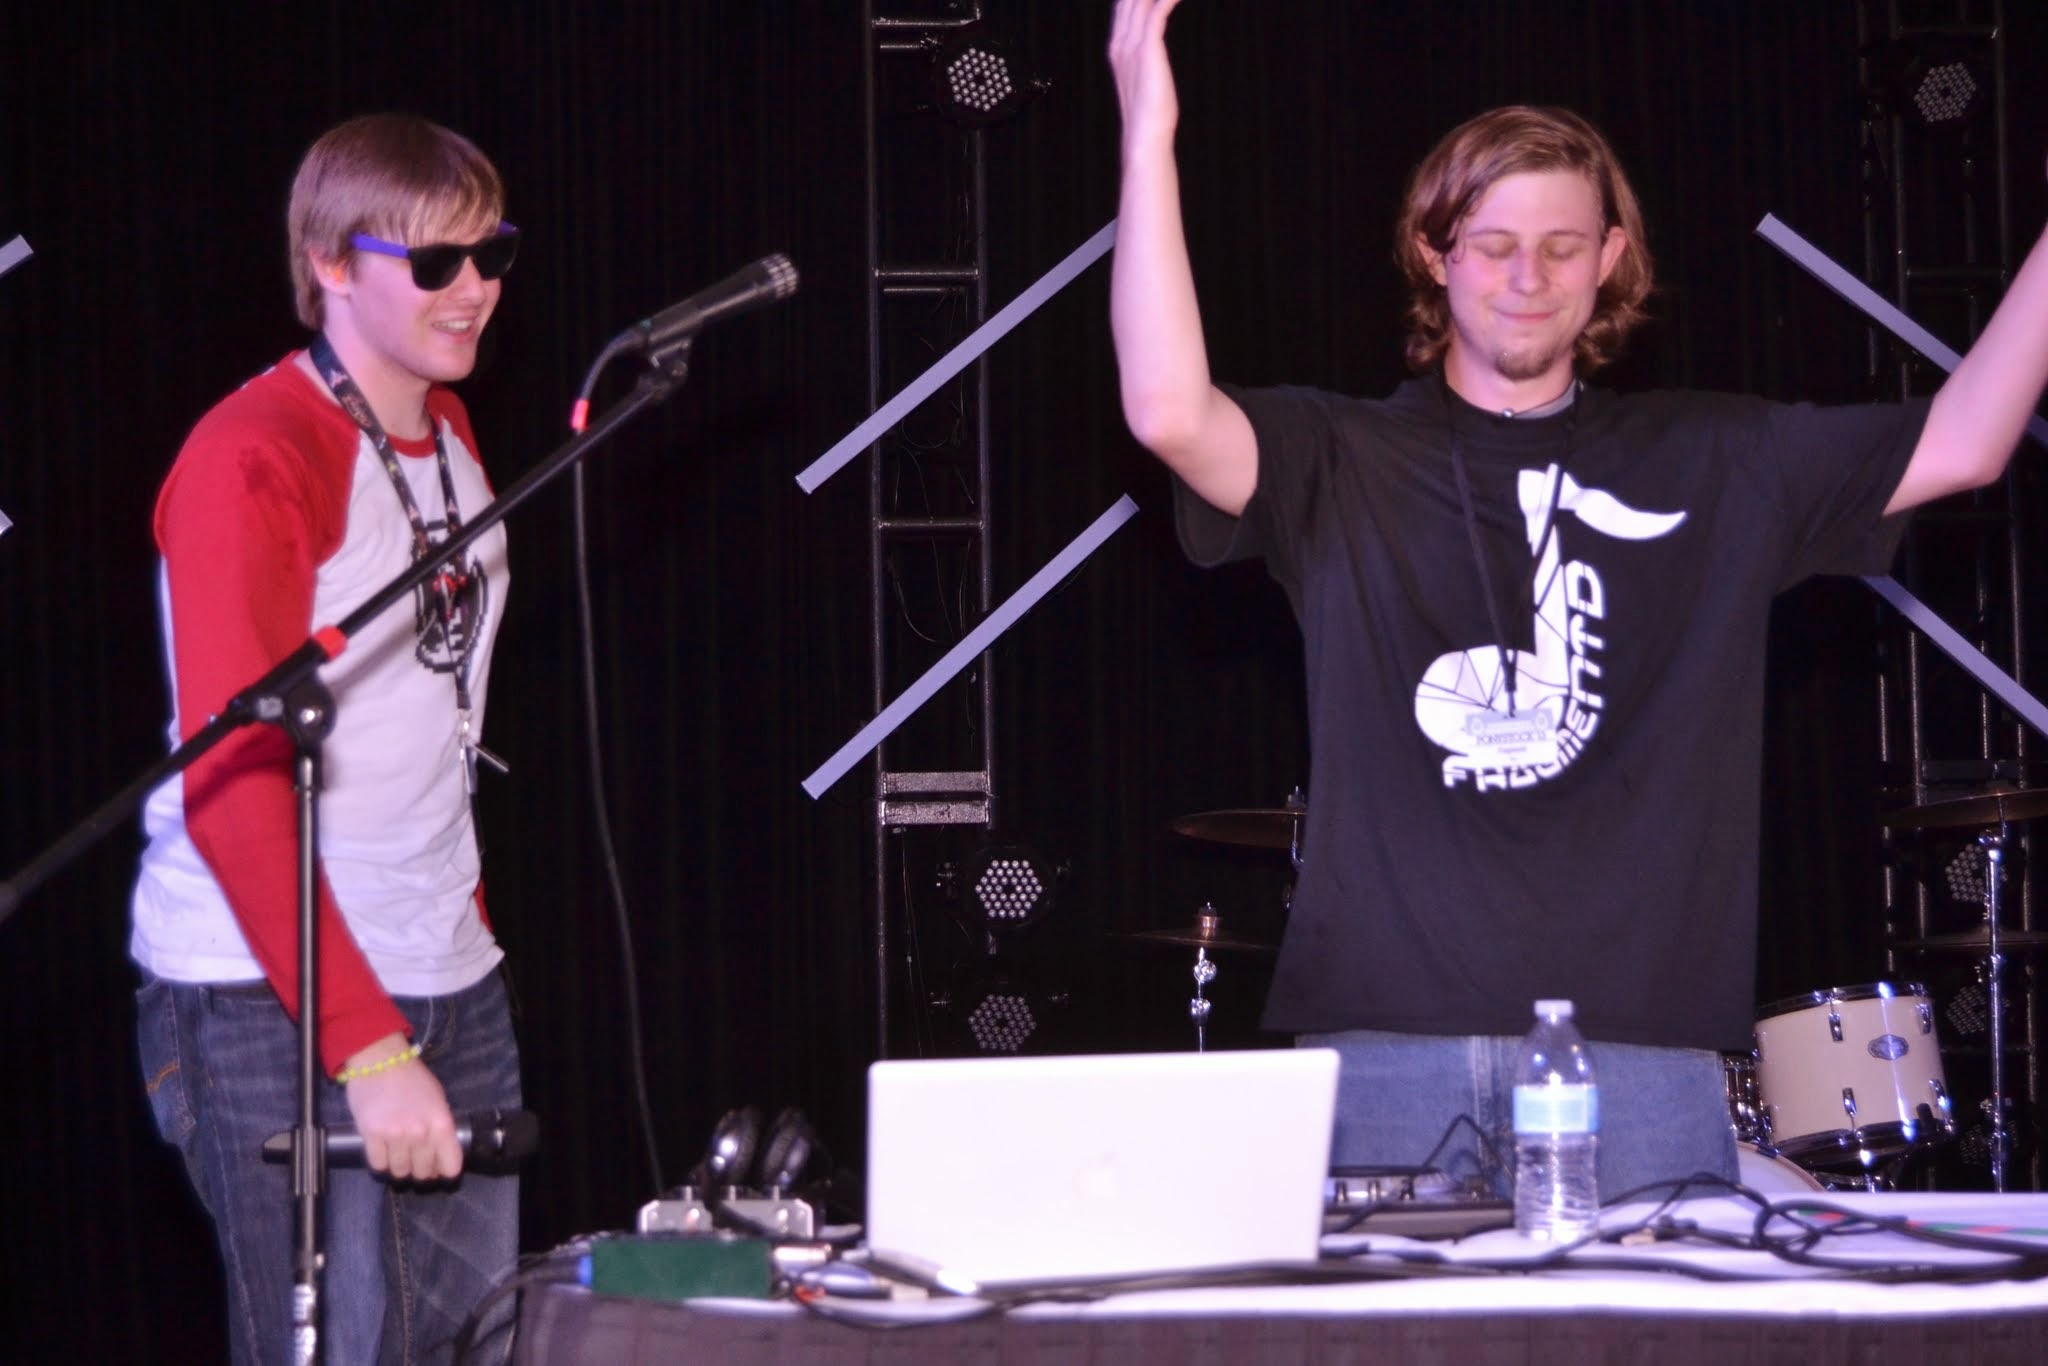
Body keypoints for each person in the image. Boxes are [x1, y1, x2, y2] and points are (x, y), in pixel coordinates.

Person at [1107, 0, 2048, 1201]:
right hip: (1384, 1044)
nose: (1526, 276)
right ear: (1434, 253)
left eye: (1561, 246)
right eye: (1492, 243)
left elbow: (1965, 441)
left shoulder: (1715, 457)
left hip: (1640, 1055)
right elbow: (1166, 411)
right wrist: (1147, 128)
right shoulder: (1336, 456)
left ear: (1608, 259)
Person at [130, 113, 523, 1363]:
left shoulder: (448, 430)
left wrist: (455, 924)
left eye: (491, 253)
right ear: (330, 264)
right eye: (435, 262)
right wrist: (364, 1039)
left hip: (442, 960)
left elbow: (430, 712)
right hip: (270, 984)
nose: (473, 289)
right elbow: (229, 780)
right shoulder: (254, 453)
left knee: (473, 1342)